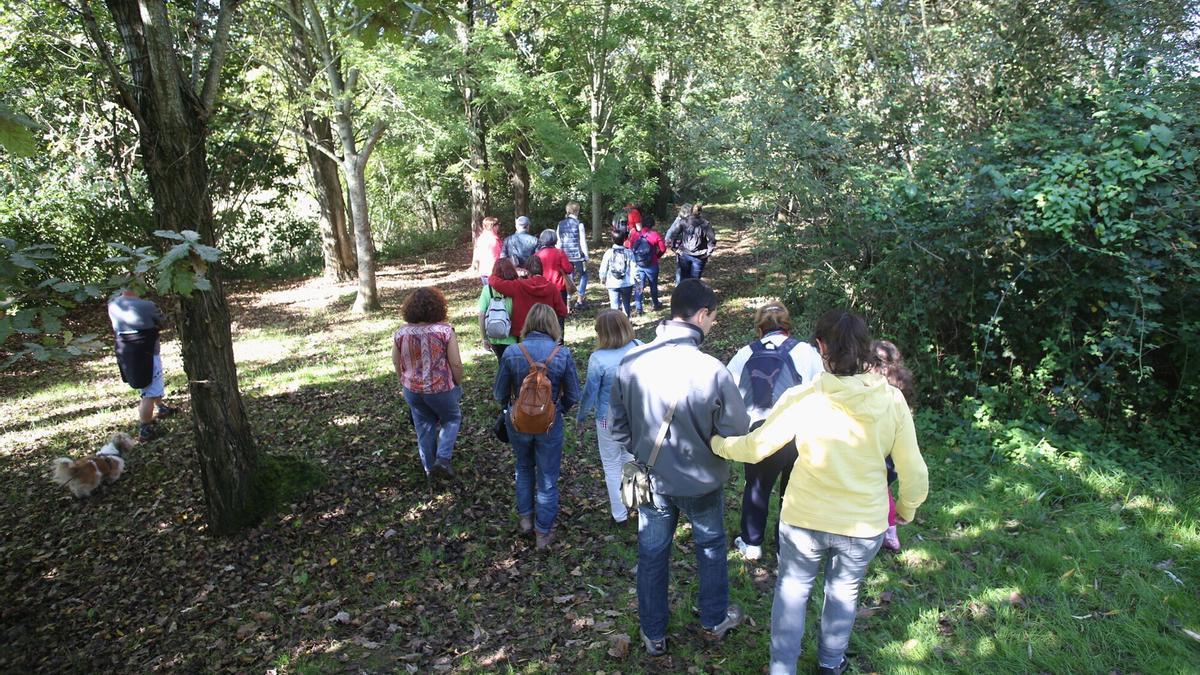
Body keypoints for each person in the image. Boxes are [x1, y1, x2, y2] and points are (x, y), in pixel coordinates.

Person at [711, 310, 929, 675]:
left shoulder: (804, 396)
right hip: (863, 524)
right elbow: (914, 471)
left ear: (820, 347)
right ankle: (830, 663)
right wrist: (906, 508)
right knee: (843, 593)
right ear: (866, 348)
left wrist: (717, 443)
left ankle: (783, 668)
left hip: (803, 520)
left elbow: (756, 448)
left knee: (792, 593)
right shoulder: (891, 400)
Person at [610, 279, 751, 656]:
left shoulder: (631, 362)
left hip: (652, 479)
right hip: (702, 481)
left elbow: (617, 428)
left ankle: (653, 633)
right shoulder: (712, 370)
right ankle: (713, 619)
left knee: (652, 553)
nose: (713, 326)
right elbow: (736, 431)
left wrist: (645, 450)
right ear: (701, 315)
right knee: (709, 547)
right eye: (713, 319)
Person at [724, 303, 825, 561]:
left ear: (759, 328)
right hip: (798, 431)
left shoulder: (744, 353)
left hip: (760, 432)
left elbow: (727, 392)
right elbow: (822, 390)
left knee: (756, 487)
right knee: (792, 491)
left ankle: (752, 543)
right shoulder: (807, 352)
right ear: (788, 326)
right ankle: (785, 548)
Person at [494, 303, 581, 550]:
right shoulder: (562, 354)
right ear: (553, 325)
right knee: (548, 476)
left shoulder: (512, 352)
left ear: (528, 323)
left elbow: (499, 393)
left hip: (518, 422)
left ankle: (525, 520)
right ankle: (543, 533)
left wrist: (510, 408)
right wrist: (555, 411)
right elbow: (574, 395)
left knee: (523, 467)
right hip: (549, 426)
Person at [576, 310, 641, 524]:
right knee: (631, 458)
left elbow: (590, 392)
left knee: (611, 465)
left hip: (608, 419)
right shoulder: (639, 347)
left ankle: (620, 515)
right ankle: (636, 503)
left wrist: (581, 415)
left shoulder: (598, 359)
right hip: (635, 415)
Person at [392, 287, 464, 480]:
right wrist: (458, 381)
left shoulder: (400, 333)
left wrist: (405, 381)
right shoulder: (445, 331)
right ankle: (443, 459)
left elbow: (396, 361)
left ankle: (430, 471)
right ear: (438, 307)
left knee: (424, 427)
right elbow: (455, 362)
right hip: (440, 388)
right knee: (452, 419)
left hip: (412, 390)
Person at [107, 288, 178, 441]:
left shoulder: (113, 305)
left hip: (126, 353)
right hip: (147, 353)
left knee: (153, 385)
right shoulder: (147, 305)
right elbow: (163, 322)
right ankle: (145, 429)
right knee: (149, 392)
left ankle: (162, 407)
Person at [870, 339, 915, 552]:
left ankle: (885, 530)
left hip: (879, 448)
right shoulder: (900, 381)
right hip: (893, 450)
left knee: (878, 490)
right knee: (883, 490)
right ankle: (889, 531)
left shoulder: (869, 383)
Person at [488, 256, 568, 339]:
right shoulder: (552, 288)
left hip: (523, 332)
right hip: (546, 332)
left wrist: (491, 277)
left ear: (527, 271)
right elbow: (562, 311)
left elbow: (497, 284)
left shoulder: (519, 285)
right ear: (542, 270)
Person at [534, 229, 576, 334]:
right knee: (560, 315)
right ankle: (559, 340)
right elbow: (568, 269)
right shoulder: (559, 253)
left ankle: (546, 338)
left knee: (544, 315)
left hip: (542, 289)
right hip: (559, 288)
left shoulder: (537, 255)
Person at [478, 258, 520, 361]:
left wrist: (484, 338)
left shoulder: (487, 289)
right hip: (513, 336)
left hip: (494, 335)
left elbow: (481, 314)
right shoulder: (517, 287)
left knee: (502, 364)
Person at [625, 212, 666, 314]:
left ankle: (639, 308)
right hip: (652, 264)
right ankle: (655, 304)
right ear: (652, 224)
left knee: (639, 286)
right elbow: (663, 248)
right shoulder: (655, 235)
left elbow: (630, 248)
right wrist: (657, 256)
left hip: (638, 264)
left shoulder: (635, 235)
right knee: (653, 285)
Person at [665, 203, 716, 283]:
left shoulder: (684, 221)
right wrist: (708, 253)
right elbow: (712, 240)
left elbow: (672, 235)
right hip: (700, 256)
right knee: (695, 281)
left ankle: (681, 294)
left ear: (691, 211)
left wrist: (675, 248)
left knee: (683, 279)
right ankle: (693, 294)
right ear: (701, 212)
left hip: (684, 254)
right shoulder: (706, 224)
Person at [556, 202, 589, 309]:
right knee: (584, 275)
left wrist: (558, 254)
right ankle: (580, 299)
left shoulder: (560, 224)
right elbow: (582, 242)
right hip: (577, 255)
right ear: (577, 211)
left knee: (568, 277)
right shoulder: (579, 224)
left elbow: (559, 242)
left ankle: (568, 303)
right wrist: (586, 256)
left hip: (565, 255)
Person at [598, 229, 635, 317]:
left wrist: (602, 278)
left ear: (612, 240)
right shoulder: (629, 252)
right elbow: (634, 268)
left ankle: (615, 325)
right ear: (624, 239)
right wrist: (637, 282)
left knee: (614, 306)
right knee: (626, 305)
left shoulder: (608, 252)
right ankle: (626, 324)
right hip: (627, 283)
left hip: (612, 283)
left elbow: (603, 268)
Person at [471, 216, 502, 285]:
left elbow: (477, 255)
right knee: (494, 294)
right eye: (497, 225)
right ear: (493, 226)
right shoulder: (493, 240)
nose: (498, 227)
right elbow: (497, 258)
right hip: (493, 272)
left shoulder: (481, 238)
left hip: (483, 271)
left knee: (488, 292)